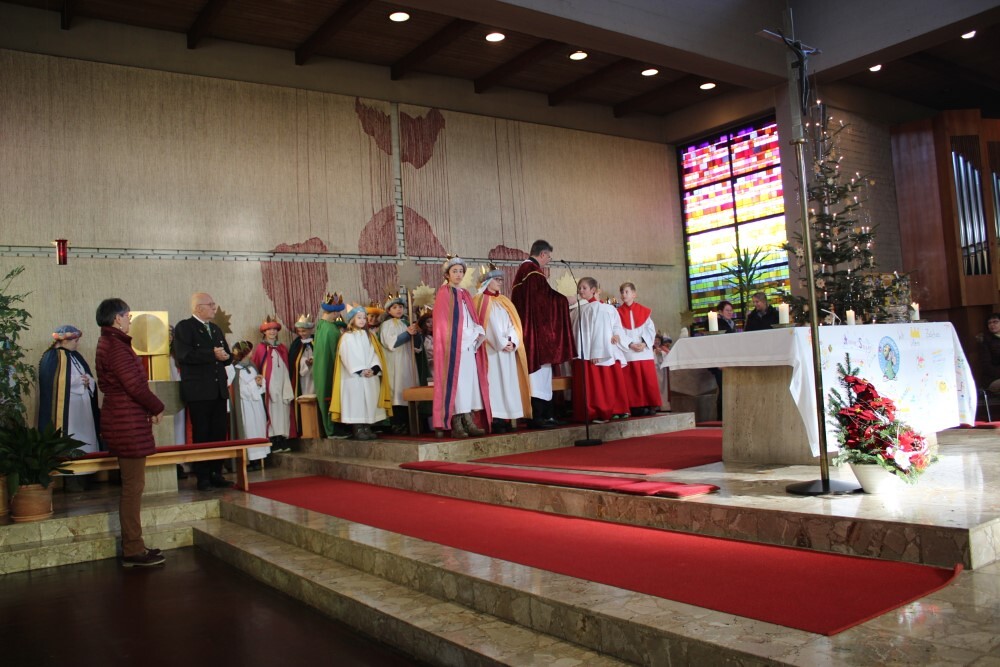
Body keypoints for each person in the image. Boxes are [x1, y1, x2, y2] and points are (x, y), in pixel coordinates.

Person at [94, 298, 166, 567]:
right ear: (117, 318)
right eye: (128, 316)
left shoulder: (111, 342)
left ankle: (134, 545)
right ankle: (133, 550)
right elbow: (134, 385)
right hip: (126, 421)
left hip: (124, 417)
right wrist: (157, 406)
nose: (130, 320)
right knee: (133, 487)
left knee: (132, 486)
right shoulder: (116, 346)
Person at [510, 239, 575, 428]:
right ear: (543, 254)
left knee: (542, 376)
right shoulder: (532, 272)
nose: (548, 261)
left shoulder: (525, 271)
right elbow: (544, 301)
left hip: (530, 329)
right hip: (535, 333)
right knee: (538, 376)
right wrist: (565, 300)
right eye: (549, 257)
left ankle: (546, 415)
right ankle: (537, 417)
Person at [173, 292, 233, 491]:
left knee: (218, 433)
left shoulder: (215, 329)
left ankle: (216, 472)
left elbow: (225, 354)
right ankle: (203, 477)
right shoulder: (185, 327)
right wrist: (211, 354)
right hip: (199, 391)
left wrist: (227, 356)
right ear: (198, 308)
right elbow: (183, 355)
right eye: (210, 304)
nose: (214, 307)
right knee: (202, 434)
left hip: (218, 390)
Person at [432, 256, 491, 438]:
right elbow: (444, 324)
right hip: (454, 347)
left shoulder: (465, 293)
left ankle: (468, 419)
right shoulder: (444, 293)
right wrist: (464, 335)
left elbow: (470, 316)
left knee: (469, 384)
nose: (458, 274)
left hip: (468, 345)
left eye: (460, 271)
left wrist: (476, 331)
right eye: (454, 271)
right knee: (456, 384)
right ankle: (456, 422)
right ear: (447, 274)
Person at [38, 325, 101, 491]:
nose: (77, 344)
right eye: (75, 340)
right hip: (68, 411)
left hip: (83, 409)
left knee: (86, 441)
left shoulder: (76, 356)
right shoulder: (51, 357)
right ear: (64, 340)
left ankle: (87, 477)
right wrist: (79, 381)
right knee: (71, 442)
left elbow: (88, 377)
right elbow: (52, 382)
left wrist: (88, 381)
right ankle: (73, 482)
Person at [473, 265, 531, 433]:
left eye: (501, 280)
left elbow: (514, 323)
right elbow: (486, 325)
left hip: (507, 351)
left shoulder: (504, 301)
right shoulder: (480, 300)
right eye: (497, 279)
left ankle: (509, 417)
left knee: (509, 383)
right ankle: (496, 419)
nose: (500, 282)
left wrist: (513, 341)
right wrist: (501, 342)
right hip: (491, 352)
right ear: (487, 282)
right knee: (495, 384)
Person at [570, 277, 630, 423]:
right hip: (582, 352)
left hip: (596, 353)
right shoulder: (576, 310)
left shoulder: (601, 308)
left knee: (599, 385)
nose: (581, 290)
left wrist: (598, 351)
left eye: (584, 288)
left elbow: (604, 330)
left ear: (593, 290)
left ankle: (600, 412)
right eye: (579, 288)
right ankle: (587, 412)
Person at [330, 304, 392, 440]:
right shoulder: (347, 337)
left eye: (364, 317)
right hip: (354, 377)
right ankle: (357, 428)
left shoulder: (370, 336)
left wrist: (374, 369)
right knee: (357, 402)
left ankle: (367, 427)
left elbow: (375, 353)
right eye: (359, 317)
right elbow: (346, 354)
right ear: (352, 319)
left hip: (369, 376)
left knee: (369, 401)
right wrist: (359, 370)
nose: (363, 320)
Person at [251, 316, 296, 453]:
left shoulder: (282, 348)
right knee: (272, 412)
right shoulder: (261, 348)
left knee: (283, 412)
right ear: (264, 332)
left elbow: (287, 366)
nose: (272, 332)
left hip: (283, 384)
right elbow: (257, 366)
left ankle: (283, 439)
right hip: (270, 386)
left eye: (274, 330)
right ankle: (274, 440)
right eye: (269, 330)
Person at [617, 283, 661, 417]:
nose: (624, 294)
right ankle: (635, 406)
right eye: (622, 292)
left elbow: (650, 329)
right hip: (629, 351)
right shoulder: (617, 313)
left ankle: (651, 404)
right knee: (632, 381)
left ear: (634, 294)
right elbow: (618, 331)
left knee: (647, 379)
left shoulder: (644, 311)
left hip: (644, 351)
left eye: (627, 292)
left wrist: (644, 343)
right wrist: (630, 344)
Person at [379, 295, 419, 435]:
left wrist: (416, 333)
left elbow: (417, 347)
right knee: (397, 392)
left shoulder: (406, 323)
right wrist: (407, 334)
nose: (398, 310)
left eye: (400, 307)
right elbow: (391, 343)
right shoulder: (387, 325)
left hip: (407, 362)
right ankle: (398, 424)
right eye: (395, 307)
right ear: (388, 311)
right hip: (395, 362)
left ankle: (411, 423)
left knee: (409, 390)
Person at [226, 341, 270, 468]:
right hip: (245, 406)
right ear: (245, 353)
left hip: (256, 404)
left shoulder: (252, 366)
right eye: (250, 350)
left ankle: (260, 458)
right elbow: (240, 390)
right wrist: (255, 384)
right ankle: (250, 459)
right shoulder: (235, 369)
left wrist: (260, 383)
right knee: (249, 431)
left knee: (259, 429)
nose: (252, 352)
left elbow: (259, 386)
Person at [313, 293, 347, 438]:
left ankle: (331, 428)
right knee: (331, 395)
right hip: (330, 368)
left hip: (321, 368)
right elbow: (336, 352)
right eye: (338, 312)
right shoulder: (331, 329)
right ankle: (333, 429)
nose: (338, 315)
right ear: (334, 312)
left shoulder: (321, 326)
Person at [288, 314, 319, 437]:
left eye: (304, 331)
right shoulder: (296, 344)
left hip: (315, 377)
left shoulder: (317, 341)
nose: (302, 333)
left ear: (310, 330)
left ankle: (318, 427)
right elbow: (293, 361)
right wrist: (304, 363)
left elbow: (321, 356)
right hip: (303, 378)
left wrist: (314, 360)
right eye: (300, 331)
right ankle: (304, 427)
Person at [978, 312, 1000, 393]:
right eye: (989, 323)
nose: (992, 325)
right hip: (993, 378)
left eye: (995, 322)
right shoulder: (986, 341)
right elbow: (986, 366)